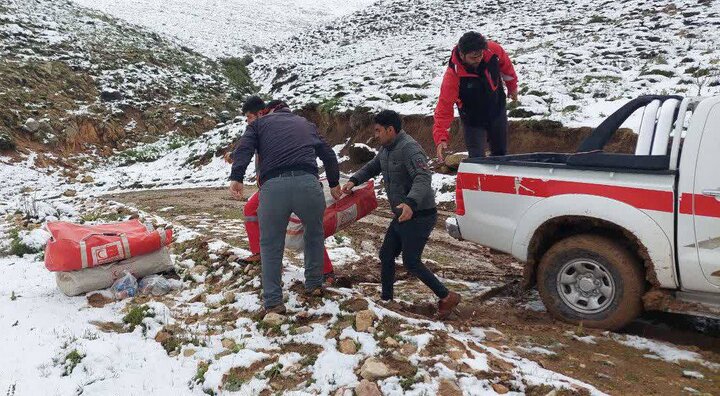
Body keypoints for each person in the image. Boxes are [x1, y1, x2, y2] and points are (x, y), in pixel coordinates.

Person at [341, 110, 461, 319]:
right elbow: (372, 167)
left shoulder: (410, 148)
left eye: (378, 131)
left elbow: (423, 177)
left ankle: (447, 296)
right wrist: (354, 179)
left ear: (391, 130)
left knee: (411, 261)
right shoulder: (387, 149)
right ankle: (387, 300)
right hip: (402, 213)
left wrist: (410, 203)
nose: (375, 135)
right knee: (386, 254)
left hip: (419, 213)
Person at [229, 98, 341, 314]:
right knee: (314, 234)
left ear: (265, 112)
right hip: (308, 184)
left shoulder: (258, 125)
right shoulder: (306, 124)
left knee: (271, 245)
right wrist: (334, 183)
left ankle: (273, 302)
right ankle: (314, 285)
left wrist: (237, 177)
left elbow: (244, 149)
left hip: (274, 187)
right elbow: (328, 153)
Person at [433, 31, 518, 161]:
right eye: (473, 57)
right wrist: (441, 138)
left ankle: (498, 179)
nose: (478, 59)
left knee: (500, 152)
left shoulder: (492, 50)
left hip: (497, 109)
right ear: (462, 55)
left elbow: (506, 67)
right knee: (477, 157)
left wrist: (512, 86)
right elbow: (444, 108)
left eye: (480, 55)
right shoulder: (453, 76)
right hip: (472, 118)